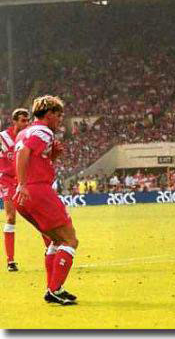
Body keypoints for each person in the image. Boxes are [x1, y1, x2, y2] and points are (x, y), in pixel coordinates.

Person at [14, 95, 78, 304]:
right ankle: (54, 289)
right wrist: (24, 184)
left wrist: (53, 157)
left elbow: (32, 158)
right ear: (49, 114)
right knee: (69, 240)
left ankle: (53, 289)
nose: (60, 120)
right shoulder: (43, 131)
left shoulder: (24, 132)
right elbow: (24, 153)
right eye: (58, 115)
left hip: (23, 197)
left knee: (55, 240)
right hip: (37, 191)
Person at [0, 108, 30, 271]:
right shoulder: (3, 137)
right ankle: (10, 261)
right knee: (11, 217)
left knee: (39, 215)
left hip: (24, 180)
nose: (26, 124)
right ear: (14, 121)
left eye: (27, 121)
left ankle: (50, 250)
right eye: (22, 121)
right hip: (7, 180)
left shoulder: (29, 137)